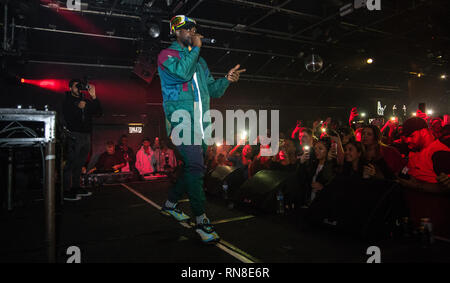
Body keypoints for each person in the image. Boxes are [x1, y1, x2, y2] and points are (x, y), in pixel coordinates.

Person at [157, 15, 245, 243]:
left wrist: (226, 79)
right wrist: (195, 49)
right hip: (181, 121)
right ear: (176, 32)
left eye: (195, 30)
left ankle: (170, 204)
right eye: (189, 30)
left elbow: (213, 91)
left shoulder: (201, 62)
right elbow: (183, 73)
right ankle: (201, 221)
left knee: (193, 167)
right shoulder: (167, 56)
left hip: (202, 124)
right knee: (195, 165)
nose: (194, 33)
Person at [62, 79, 102, 201]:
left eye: (79, 86)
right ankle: (66, 190)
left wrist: (94, 96)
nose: (78, 89)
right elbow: (66, 116)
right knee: (71, 162)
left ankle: (76, 187)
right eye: (75, 86)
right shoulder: (67, 101)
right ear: (70, 88)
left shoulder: (85, 100)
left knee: (80, 163)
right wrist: (77, 108)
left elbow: (99, 112)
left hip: (86, 135)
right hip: (74, 135)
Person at [398, 117, 450, 192]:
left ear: (423, 132)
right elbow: (405, 171)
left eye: (411, 136)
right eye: (406, 137)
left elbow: (446, 187)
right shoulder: (415, 151)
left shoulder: (439, 153)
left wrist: (418, 185)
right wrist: (402, 174)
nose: (407, 140)